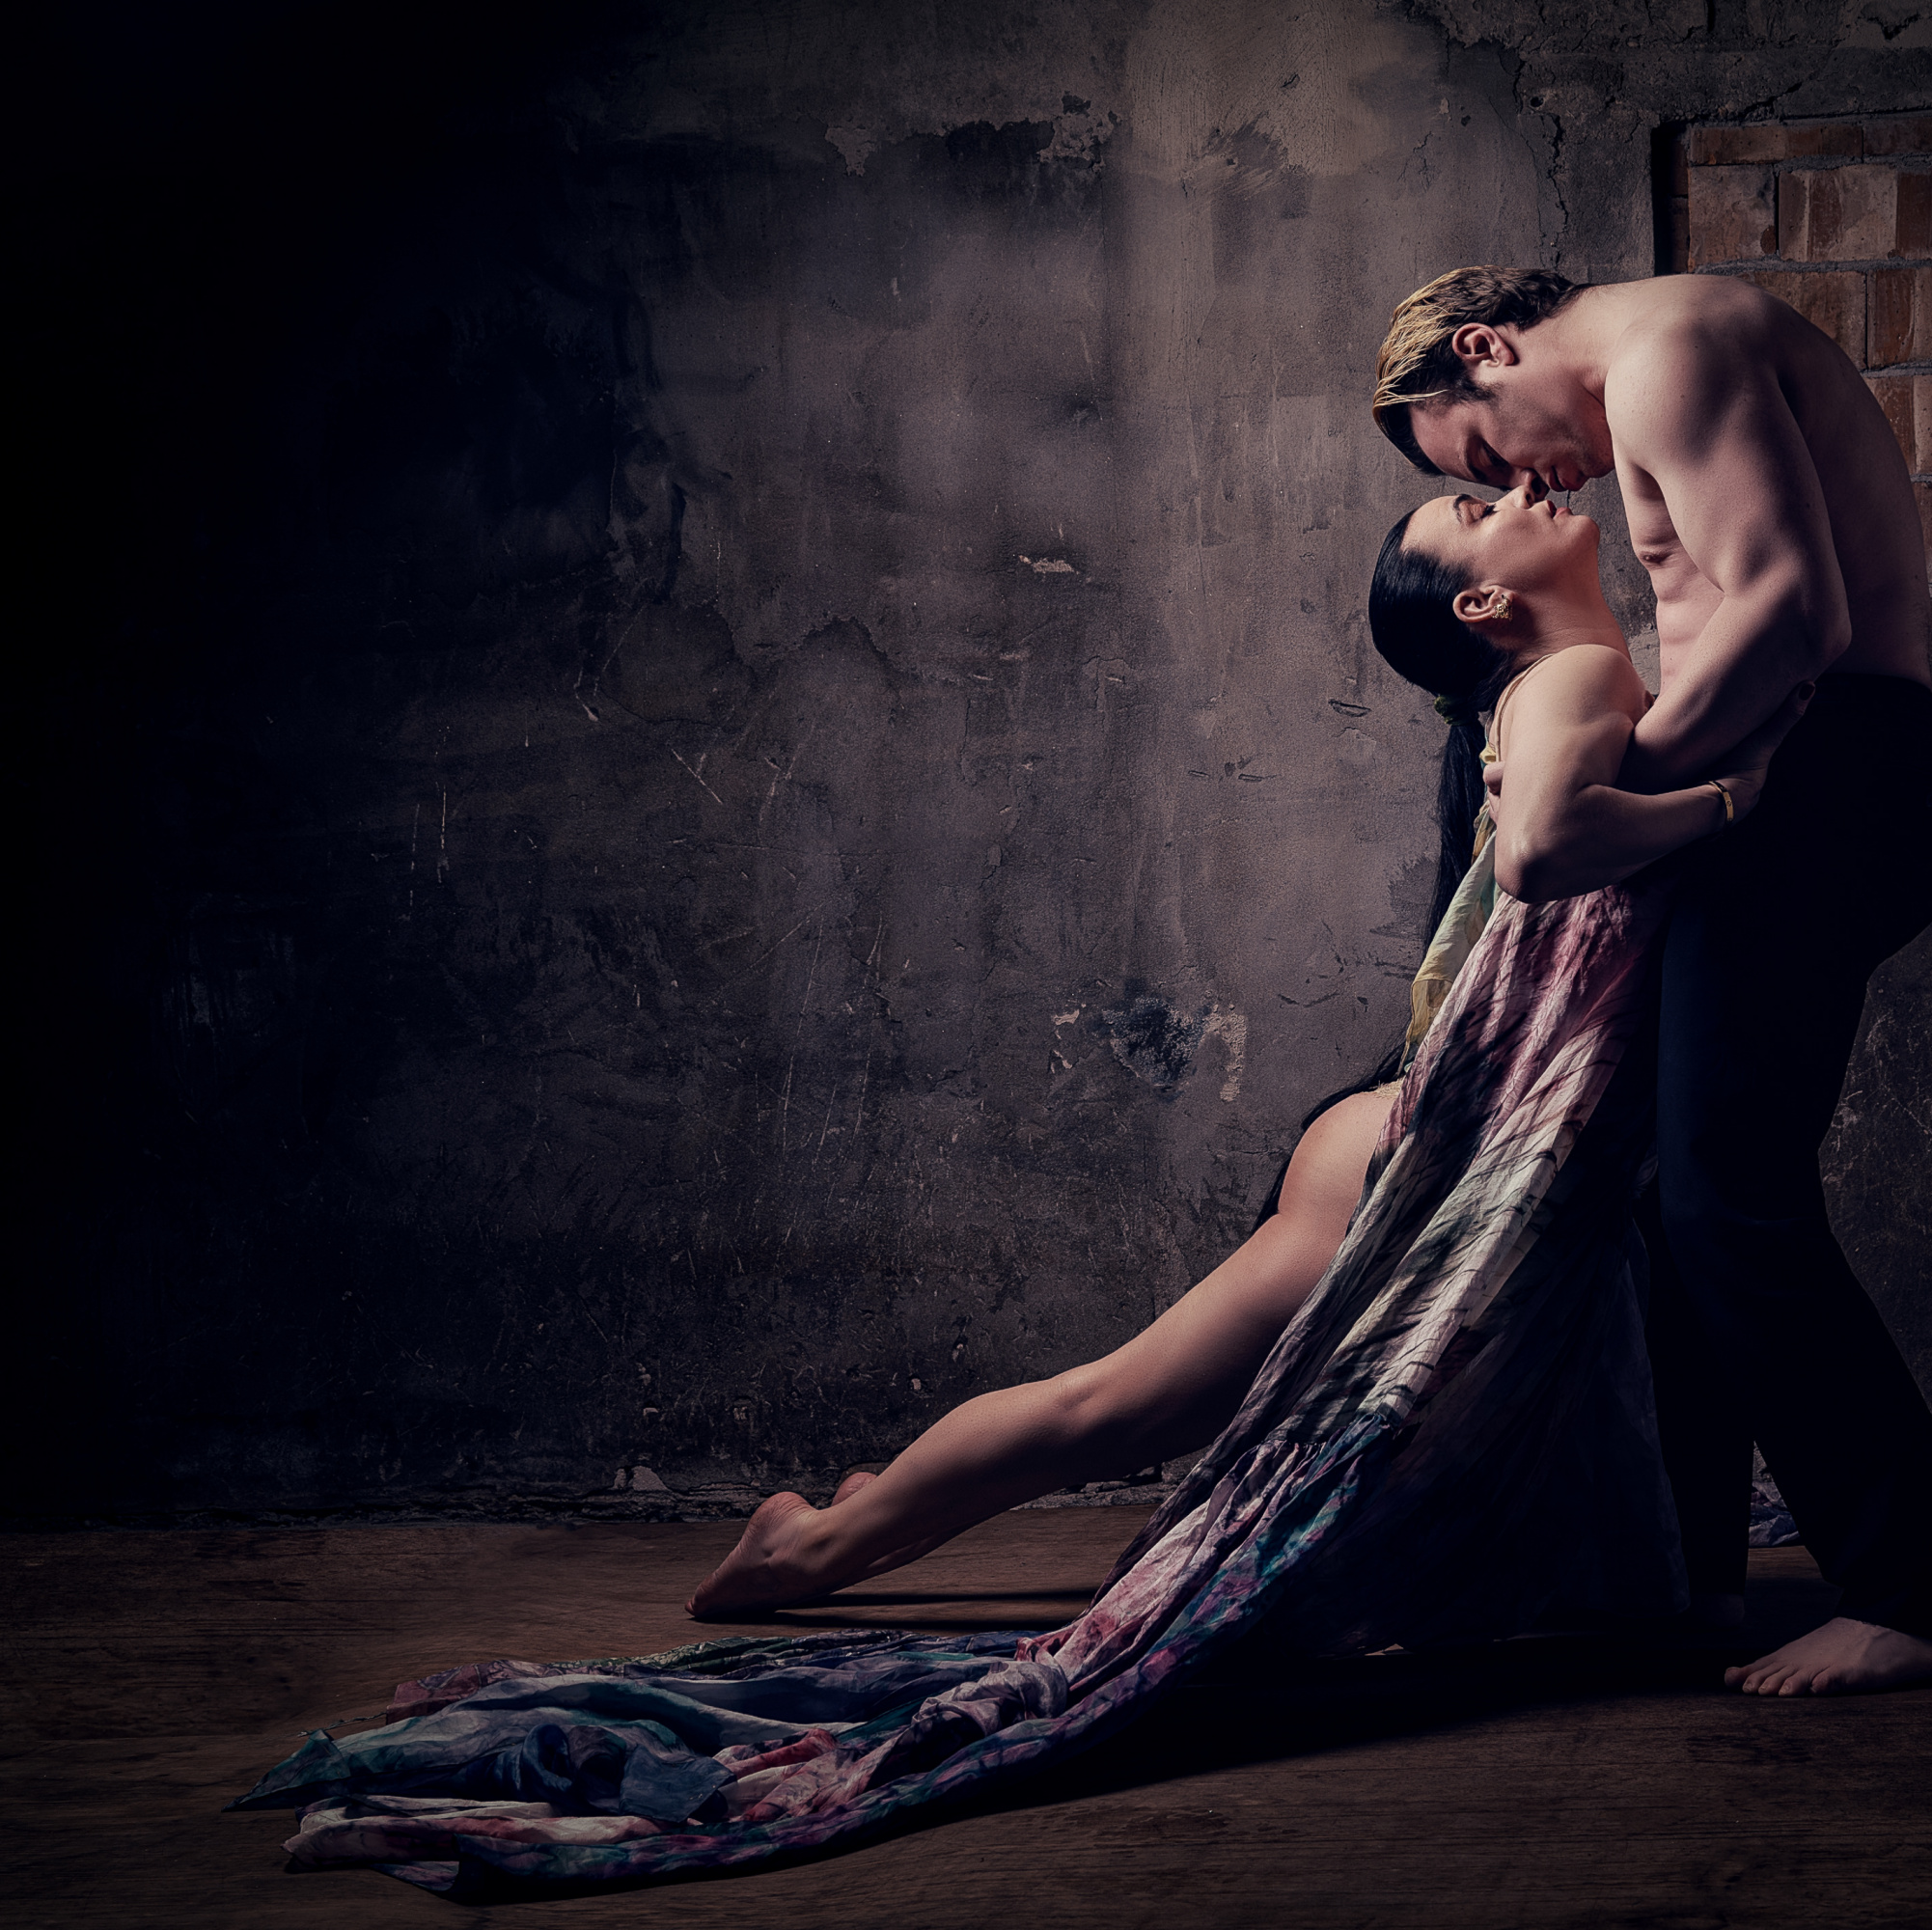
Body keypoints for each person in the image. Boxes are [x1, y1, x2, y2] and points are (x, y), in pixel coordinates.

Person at [685, 489, 1791, 1620]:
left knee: (1122, 1410)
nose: (1520, 489)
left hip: (1411, 1139)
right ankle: (809, 1543)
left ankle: (873, 1506)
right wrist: (1728, 802)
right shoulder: (1577, 675)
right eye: (1477, 503)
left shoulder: (1547, 690)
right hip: (1408, 1154)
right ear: (1483, 601)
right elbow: (1541, 851)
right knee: (1110, 1410)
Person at [1370, 264, 1932, 1696]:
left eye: (1481, 450)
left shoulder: (1670, 348)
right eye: (1483, 484)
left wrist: (1617, 795)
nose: (1521, 479)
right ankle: (1690, 1576)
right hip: (1798, 782)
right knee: (1667, 1195)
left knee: (1730, 1197)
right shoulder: (1664, 362)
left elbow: (1793, 616)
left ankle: (1929, 1596)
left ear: (1487, 347)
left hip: (1831, 775)